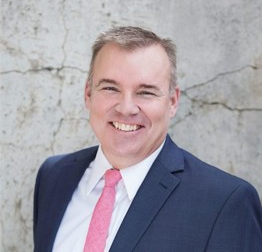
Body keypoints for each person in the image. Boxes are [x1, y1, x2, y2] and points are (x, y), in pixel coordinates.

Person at [33, 26, 262, 252]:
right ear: (88, 94)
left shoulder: (224, 202)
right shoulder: (54, 176)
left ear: (172, 101)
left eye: (146, 92)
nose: (126, 108)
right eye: (110, 88)